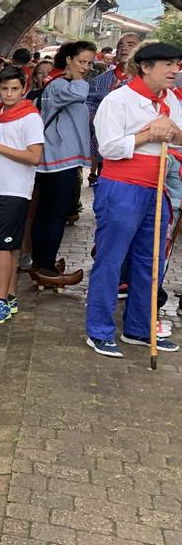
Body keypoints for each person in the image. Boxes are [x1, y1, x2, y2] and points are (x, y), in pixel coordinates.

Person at [85, 41, 182, 358]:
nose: (174, 70)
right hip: (122, 187)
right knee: (111, 259)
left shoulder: (171, 100)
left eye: (176, 64)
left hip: (157, 188)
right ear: (146, 67)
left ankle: (140, 328)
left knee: (149, 261)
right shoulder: (119, 100)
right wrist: (148, 133)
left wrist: (171, 131)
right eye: (167, 64)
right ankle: (99, 331)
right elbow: (108, 148)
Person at [0, 66, 45, 325]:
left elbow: (35, 156)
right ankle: (7, 296)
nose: (10, 93)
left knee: (4, 247)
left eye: (15, 89)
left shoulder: (31, 117)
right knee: (4, 247)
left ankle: (2, 300)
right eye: (4, 89)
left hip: (14, 190)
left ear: (24, 88)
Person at [28, 41, 94, 288]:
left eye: (89, 63)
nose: (85, 67)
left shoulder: (60, 84)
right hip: (58, 160)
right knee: (54, 214)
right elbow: (81, 93)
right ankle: (45, 266)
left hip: (57, 158)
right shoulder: (61, 85)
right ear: (68, 59)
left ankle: (42, 262)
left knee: (47, 213)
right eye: (81, 61)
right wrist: (77, 77)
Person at [87, 32, 141, 185]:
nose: (124, 48)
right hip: (105, 145)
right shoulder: (100, 80)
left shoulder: (146, 81)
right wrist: (96, 119)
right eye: (120, 45)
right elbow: (89, 103)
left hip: (136, 149)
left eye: (130, 45)